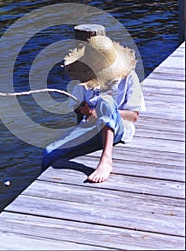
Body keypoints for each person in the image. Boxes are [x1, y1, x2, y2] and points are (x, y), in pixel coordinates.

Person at [42, 35, 145, 183]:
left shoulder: (128, 77)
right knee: (49, 152)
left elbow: (133, 116)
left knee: (106, 101)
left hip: (119, 129)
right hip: (90, 129)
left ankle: (106, 159)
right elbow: (78, 109)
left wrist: (103, 113)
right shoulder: (84, 79)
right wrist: (84, 111)